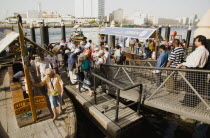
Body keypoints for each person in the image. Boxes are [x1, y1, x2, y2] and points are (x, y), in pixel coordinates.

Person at [176, 35, 209, 107]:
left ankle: (189, 103)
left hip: (194, 70)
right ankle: (187, 101)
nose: (194, 42)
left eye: (196, 41)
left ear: (200, 42)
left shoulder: (201, 51)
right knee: (191, 86)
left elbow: (195, 63)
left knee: (190, 86)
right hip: (197, 70)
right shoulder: (205, 51)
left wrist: (183, 63)